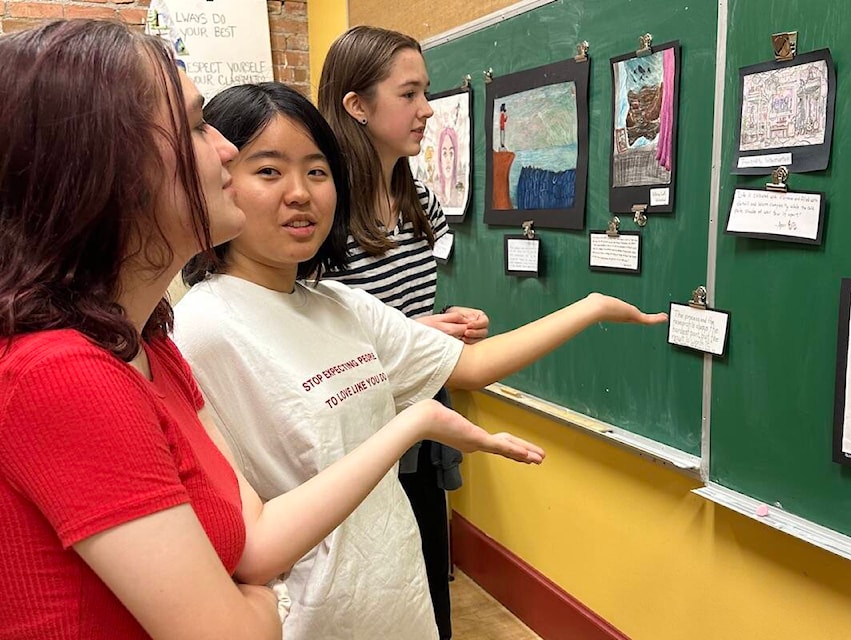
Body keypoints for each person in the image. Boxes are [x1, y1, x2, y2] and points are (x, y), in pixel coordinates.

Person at [0, 20, 544, 640]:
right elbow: (234, 628)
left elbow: (252, 545)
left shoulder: (150, 340)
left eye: (316, 172)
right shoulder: (62, 372)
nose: (225, 151)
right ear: (101, 166)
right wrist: (274, 601)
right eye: (197, 126)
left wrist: (410, 423)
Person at [173, 81, 668, 640]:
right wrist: (418, 422)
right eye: (268, 171)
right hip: (313, 621)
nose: (301, 193)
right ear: (219, 176)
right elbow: (236, 537)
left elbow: (471, 366)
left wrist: (589, 307)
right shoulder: (202, 329)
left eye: (317, 171)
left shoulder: (340, 306)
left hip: (396, 599)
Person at [316, 26, 488, 637]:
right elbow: (310, 334)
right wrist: (414, 330)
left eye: (427, 92)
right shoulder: (322, 208)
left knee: (427, 574)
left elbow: (412, 301)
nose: (427, 110)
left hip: (419, 404)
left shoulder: (418, 196)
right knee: (371, 578)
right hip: (356, 422)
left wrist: (446, 324)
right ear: (356, 105)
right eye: (409, 94)